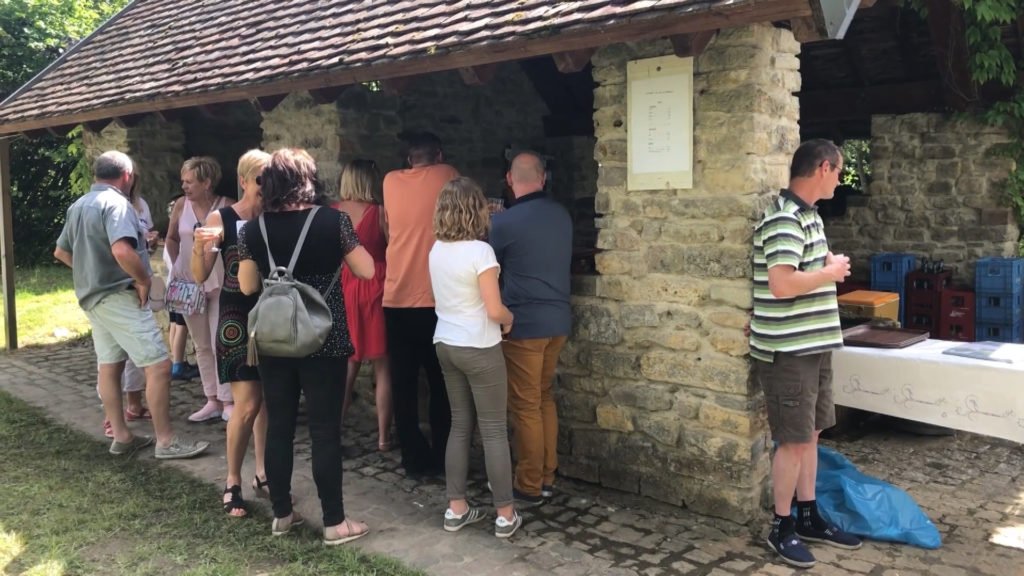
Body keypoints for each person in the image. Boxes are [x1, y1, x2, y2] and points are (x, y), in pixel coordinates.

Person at [238, 148, 375, 544]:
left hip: (274, 339)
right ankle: (335, 522)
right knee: (324, 430)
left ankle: (282, 513)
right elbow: (364, 270)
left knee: (279, 425)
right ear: (309, 179)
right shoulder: (333, 221)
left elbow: (247, 286)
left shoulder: (253, 229)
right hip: (324, 339)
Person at [749, 139, 861, 569]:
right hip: (789, 351)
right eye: (839, 172)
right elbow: (781, 283)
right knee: (793, 441)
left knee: (810, 436)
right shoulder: (783, 221)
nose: (840, 179)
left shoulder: (808, 217)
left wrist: (826, 266)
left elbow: (799, 274)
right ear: (824, 167)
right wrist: (829, 273)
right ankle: (781, 526)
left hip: (813, 346)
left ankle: (809, 514)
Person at [53, 150, 209, 459]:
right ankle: (166, 441)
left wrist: (90, 273)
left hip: (94, 298)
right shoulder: (116, 204)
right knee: (159, 365)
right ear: (127, 176)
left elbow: (61, 252)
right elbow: (123, 251)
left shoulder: (79, 205)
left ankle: (122, 436)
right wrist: (142, 281)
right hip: (119, 296)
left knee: (110, 366)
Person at [429, 177, 523, 538]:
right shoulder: (481, 253)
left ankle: (456, 508)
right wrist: (510, 318)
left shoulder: (436, 249)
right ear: (478, 210)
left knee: (460, 424)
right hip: (479, 345)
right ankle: (505, 514)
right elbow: (495, 308)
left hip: (446, 342)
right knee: (494, 429)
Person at [489, 151, 572, 507]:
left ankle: (529, 483)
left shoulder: (505, 222)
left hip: (523, 325)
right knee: (542, 398)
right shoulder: (562, 214)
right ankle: (548, 475)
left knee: (524, 406)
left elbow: (488, 268)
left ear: (510, 179)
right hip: (558, 321)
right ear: (543, 177)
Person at [192, 149, 272, 517]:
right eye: (259, 177)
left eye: (270, 177)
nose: (264, 185)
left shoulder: (277, 217)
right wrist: (199, 245)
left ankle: (263, 471)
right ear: (243, 179)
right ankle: (232, 480)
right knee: (247, 403)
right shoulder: (222, 217)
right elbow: (200, 273)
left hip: (273, 313)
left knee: (267, 399)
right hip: (236, 317)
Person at [382, 132, 459, 476]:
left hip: (397, 295)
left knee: (404, 382)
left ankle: (413, 457)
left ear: (408, 158)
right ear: (439, 155)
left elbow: (387, 229)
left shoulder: (389, 181)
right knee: (441, 381)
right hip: (437, 297)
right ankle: (444, 455)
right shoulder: (448, 175)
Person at [166, 157, 234, 422]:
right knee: (202, 345)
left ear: (207, 182)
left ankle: (228, 399)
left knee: (222, 343)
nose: (184, 186)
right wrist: (177, 264)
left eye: (189, 181)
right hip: (188, 285)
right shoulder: (182, 205)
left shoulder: (226, 205)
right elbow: (172, 237)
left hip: (219, 283)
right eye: (183, 181)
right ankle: (212, 399)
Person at [334, 159, 393, 451]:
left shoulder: (332, 212)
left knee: (347, 364)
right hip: (376, 285)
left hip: (344, 286)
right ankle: (383, 437)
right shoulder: (379, 212)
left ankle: (335, 429)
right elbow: (392, 246)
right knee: (383, 368)